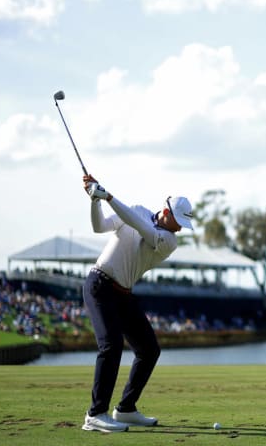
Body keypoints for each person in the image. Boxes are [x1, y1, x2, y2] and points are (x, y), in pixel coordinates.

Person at [80, 174, 193, 433]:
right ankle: (95, 414)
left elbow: (142, 228)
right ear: (166, 212)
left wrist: (107, 196)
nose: (180, 228)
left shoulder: (169, 241)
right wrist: (94, 200)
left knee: (149, 349)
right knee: (111, 345)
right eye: (178, 222)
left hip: (122, 293)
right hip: (99, 285)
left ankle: (126, 409)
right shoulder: (137, 210)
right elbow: (99, 227)